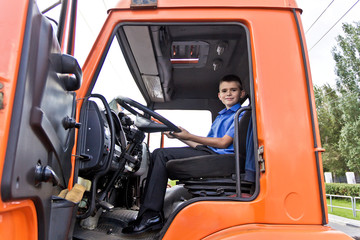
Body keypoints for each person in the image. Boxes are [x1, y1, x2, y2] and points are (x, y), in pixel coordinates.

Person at [122, 75, 246, 234]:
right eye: (224, 91)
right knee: (160, 153)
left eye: (233, 90)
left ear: (241, 93)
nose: (228, 94)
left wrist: (189, 135)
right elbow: (202, 145)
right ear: (219, 95)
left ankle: (151, 216)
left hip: (222, 160)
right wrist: (181, 137)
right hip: (211, 153)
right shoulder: (222, 115)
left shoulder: (240, 114)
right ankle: (150, 215)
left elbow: (223, 143)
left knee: (160, 155)